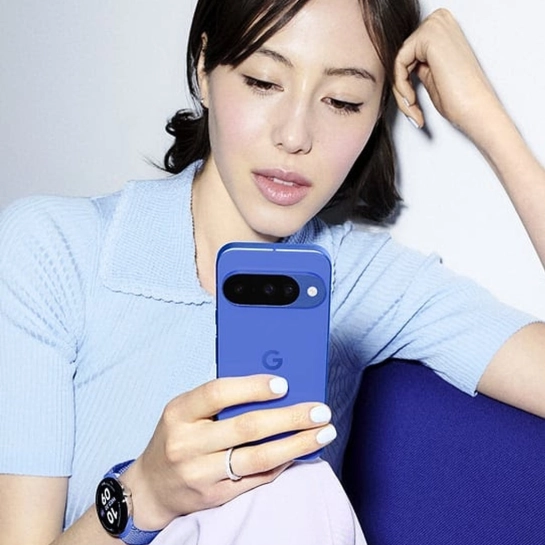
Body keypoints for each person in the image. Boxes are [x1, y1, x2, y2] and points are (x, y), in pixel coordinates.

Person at [1, 0, 544, 543]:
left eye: (343, 100)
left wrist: (487, 120)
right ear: (204, 68)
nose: (294, 135)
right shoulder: (54, 250)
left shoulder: (357, 279)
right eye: (263, 82)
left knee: (293, 485)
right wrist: (146, 494)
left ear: (378, 111)